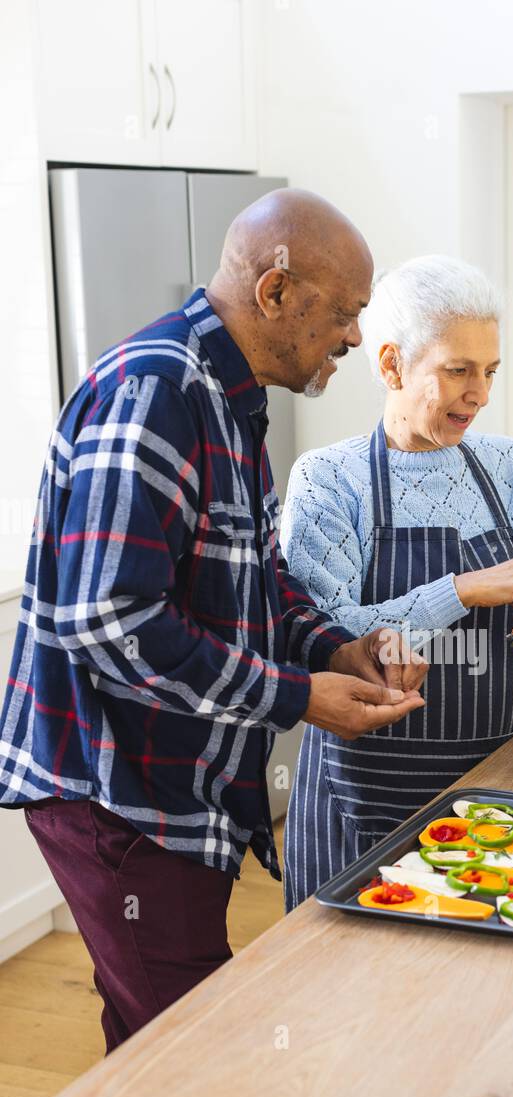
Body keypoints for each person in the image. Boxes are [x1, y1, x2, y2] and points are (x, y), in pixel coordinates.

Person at [0, 189, 426, 1053]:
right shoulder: (154, 390)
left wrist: (331, 646)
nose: (352, 336)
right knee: (192, 1051)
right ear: (275, 292)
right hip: (113, 789)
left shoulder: (228, 395)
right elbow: (110, 619)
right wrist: (295, 696)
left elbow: (251, 574)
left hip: (166, 784)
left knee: (154, 1040)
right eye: (343, 313)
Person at [279, 254, 513, 911]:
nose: (480, 394)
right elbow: (322, 638)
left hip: (497, 791)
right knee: (345, 997)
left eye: (489, 371)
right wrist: (461, 590)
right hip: (363, 802)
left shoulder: (512, 469)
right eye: (458, 370)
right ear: (390, 365)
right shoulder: (329, 479)